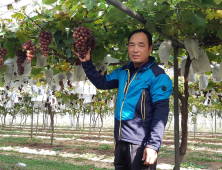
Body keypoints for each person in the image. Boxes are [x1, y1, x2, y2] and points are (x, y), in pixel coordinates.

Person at [74, 29, 172, 170]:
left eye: (141, 45)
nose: (135, 50)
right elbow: (102, 83)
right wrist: (86, 63)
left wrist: (153, 145)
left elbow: (161, 113)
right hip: (121, 140)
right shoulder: (123, 72)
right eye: (131, 45)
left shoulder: (158, 76)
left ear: (150, 48)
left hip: (141, 143)